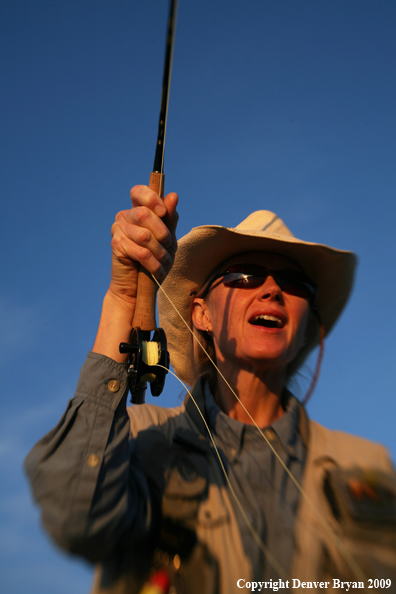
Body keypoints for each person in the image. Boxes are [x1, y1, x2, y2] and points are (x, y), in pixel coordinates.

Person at [25, 185, 396, 594]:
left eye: (294, 284)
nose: (272, 289)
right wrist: (123, 298)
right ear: (200, 314)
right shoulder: (136, 438)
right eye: (246, 275)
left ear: (308, 322)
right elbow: (76, 520)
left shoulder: (367, 465)